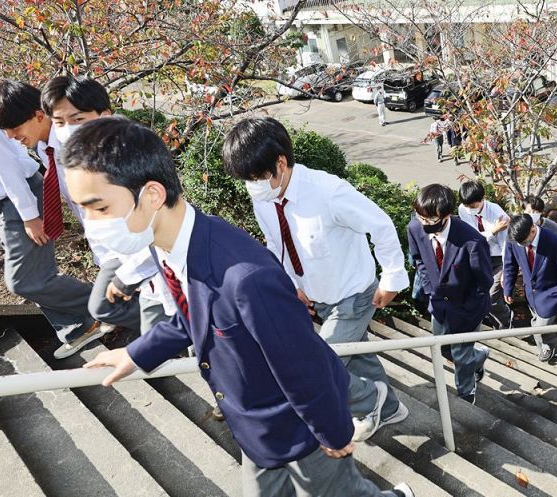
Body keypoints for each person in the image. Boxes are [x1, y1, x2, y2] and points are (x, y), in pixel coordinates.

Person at [65, 117, 414, 497]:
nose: (89, 224)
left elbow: (304, 363)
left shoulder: (245, 277)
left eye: (98, 208)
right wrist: (136, 353)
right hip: (254, 424)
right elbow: (191, 316)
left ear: (151, 195)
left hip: (298, 423)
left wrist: (333, 431)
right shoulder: (162, 244)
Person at [222, 117, 410, 442]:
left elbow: (380, 224)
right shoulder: (265, 198)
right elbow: (276, 244)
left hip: (353, 293)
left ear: (280, 163)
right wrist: (290, 284)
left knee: (320, 366)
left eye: (255, 177)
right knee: (356, 352)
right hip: (318, 295)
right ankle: (390, 408)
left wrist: (391, 277)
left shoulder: (328, 192)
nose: (252, 186)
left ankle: (369, 402)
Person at [40, 75, 164, 338]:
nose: (67, 129)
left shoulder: (130, 154)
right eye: (59, 122)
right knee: (111, 306)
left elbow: (161, 220)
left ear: (104, 115)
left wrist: (131, 272)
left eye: (78, 119)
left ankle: (184, 329)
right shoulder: (66, 156)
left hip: (146, 252)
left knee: (107, 306)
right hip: (112, 251)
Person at [0, 79, 107, 359]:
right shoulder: (49, 148)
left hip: (16, 199)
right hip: (7, 203)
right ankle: (81, 324)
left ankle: (105, 306)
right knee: (31, 277)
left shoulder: (70, 140)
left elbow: (6, 169)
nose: (10, 136)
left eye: (14, 130)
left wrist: (29, 215)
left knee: (23, 280)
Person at [407, 184, 493, 404]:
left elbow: (484, 281)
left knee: (461, 356)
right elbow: (419, 260)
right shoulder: (415, 228)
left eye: (430, 220)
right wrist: (429, 288)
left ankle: (466, 393)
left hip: (467, 308)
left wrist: (470, 307)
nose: (424, 224)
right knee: (445, 351)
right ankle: (480, 356)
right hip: (438, 305)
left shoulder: (472, 241)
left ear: (446, 216)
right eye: (421, 218)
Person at [503, 214, 557, 361]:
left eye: (524, 242)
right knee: (537, 320)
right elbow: (510, 264)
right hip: (530, 293)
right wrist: (508, 287)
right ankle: (549, 345)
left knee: (539, 327)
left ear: (532, 230)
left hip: (551, 293)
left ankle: (548, 348)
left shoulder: (556, 242)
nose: (521, 245)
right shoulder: (514, 239)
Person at [457, 180, 511, 328]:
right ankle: (493, 321)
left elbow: (505, 244)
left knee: (492, 296)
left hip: (499, 257)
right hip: (480, 255)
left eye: (473, 206)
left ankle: (505, 322)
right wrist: (493, 231)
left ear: (482, 199)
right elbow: (472, 237)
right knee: (478, 294)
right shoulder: (463, 209)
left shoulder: (497, 213)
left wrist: (507, 270)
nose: (470, 210)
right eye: (467, 206)